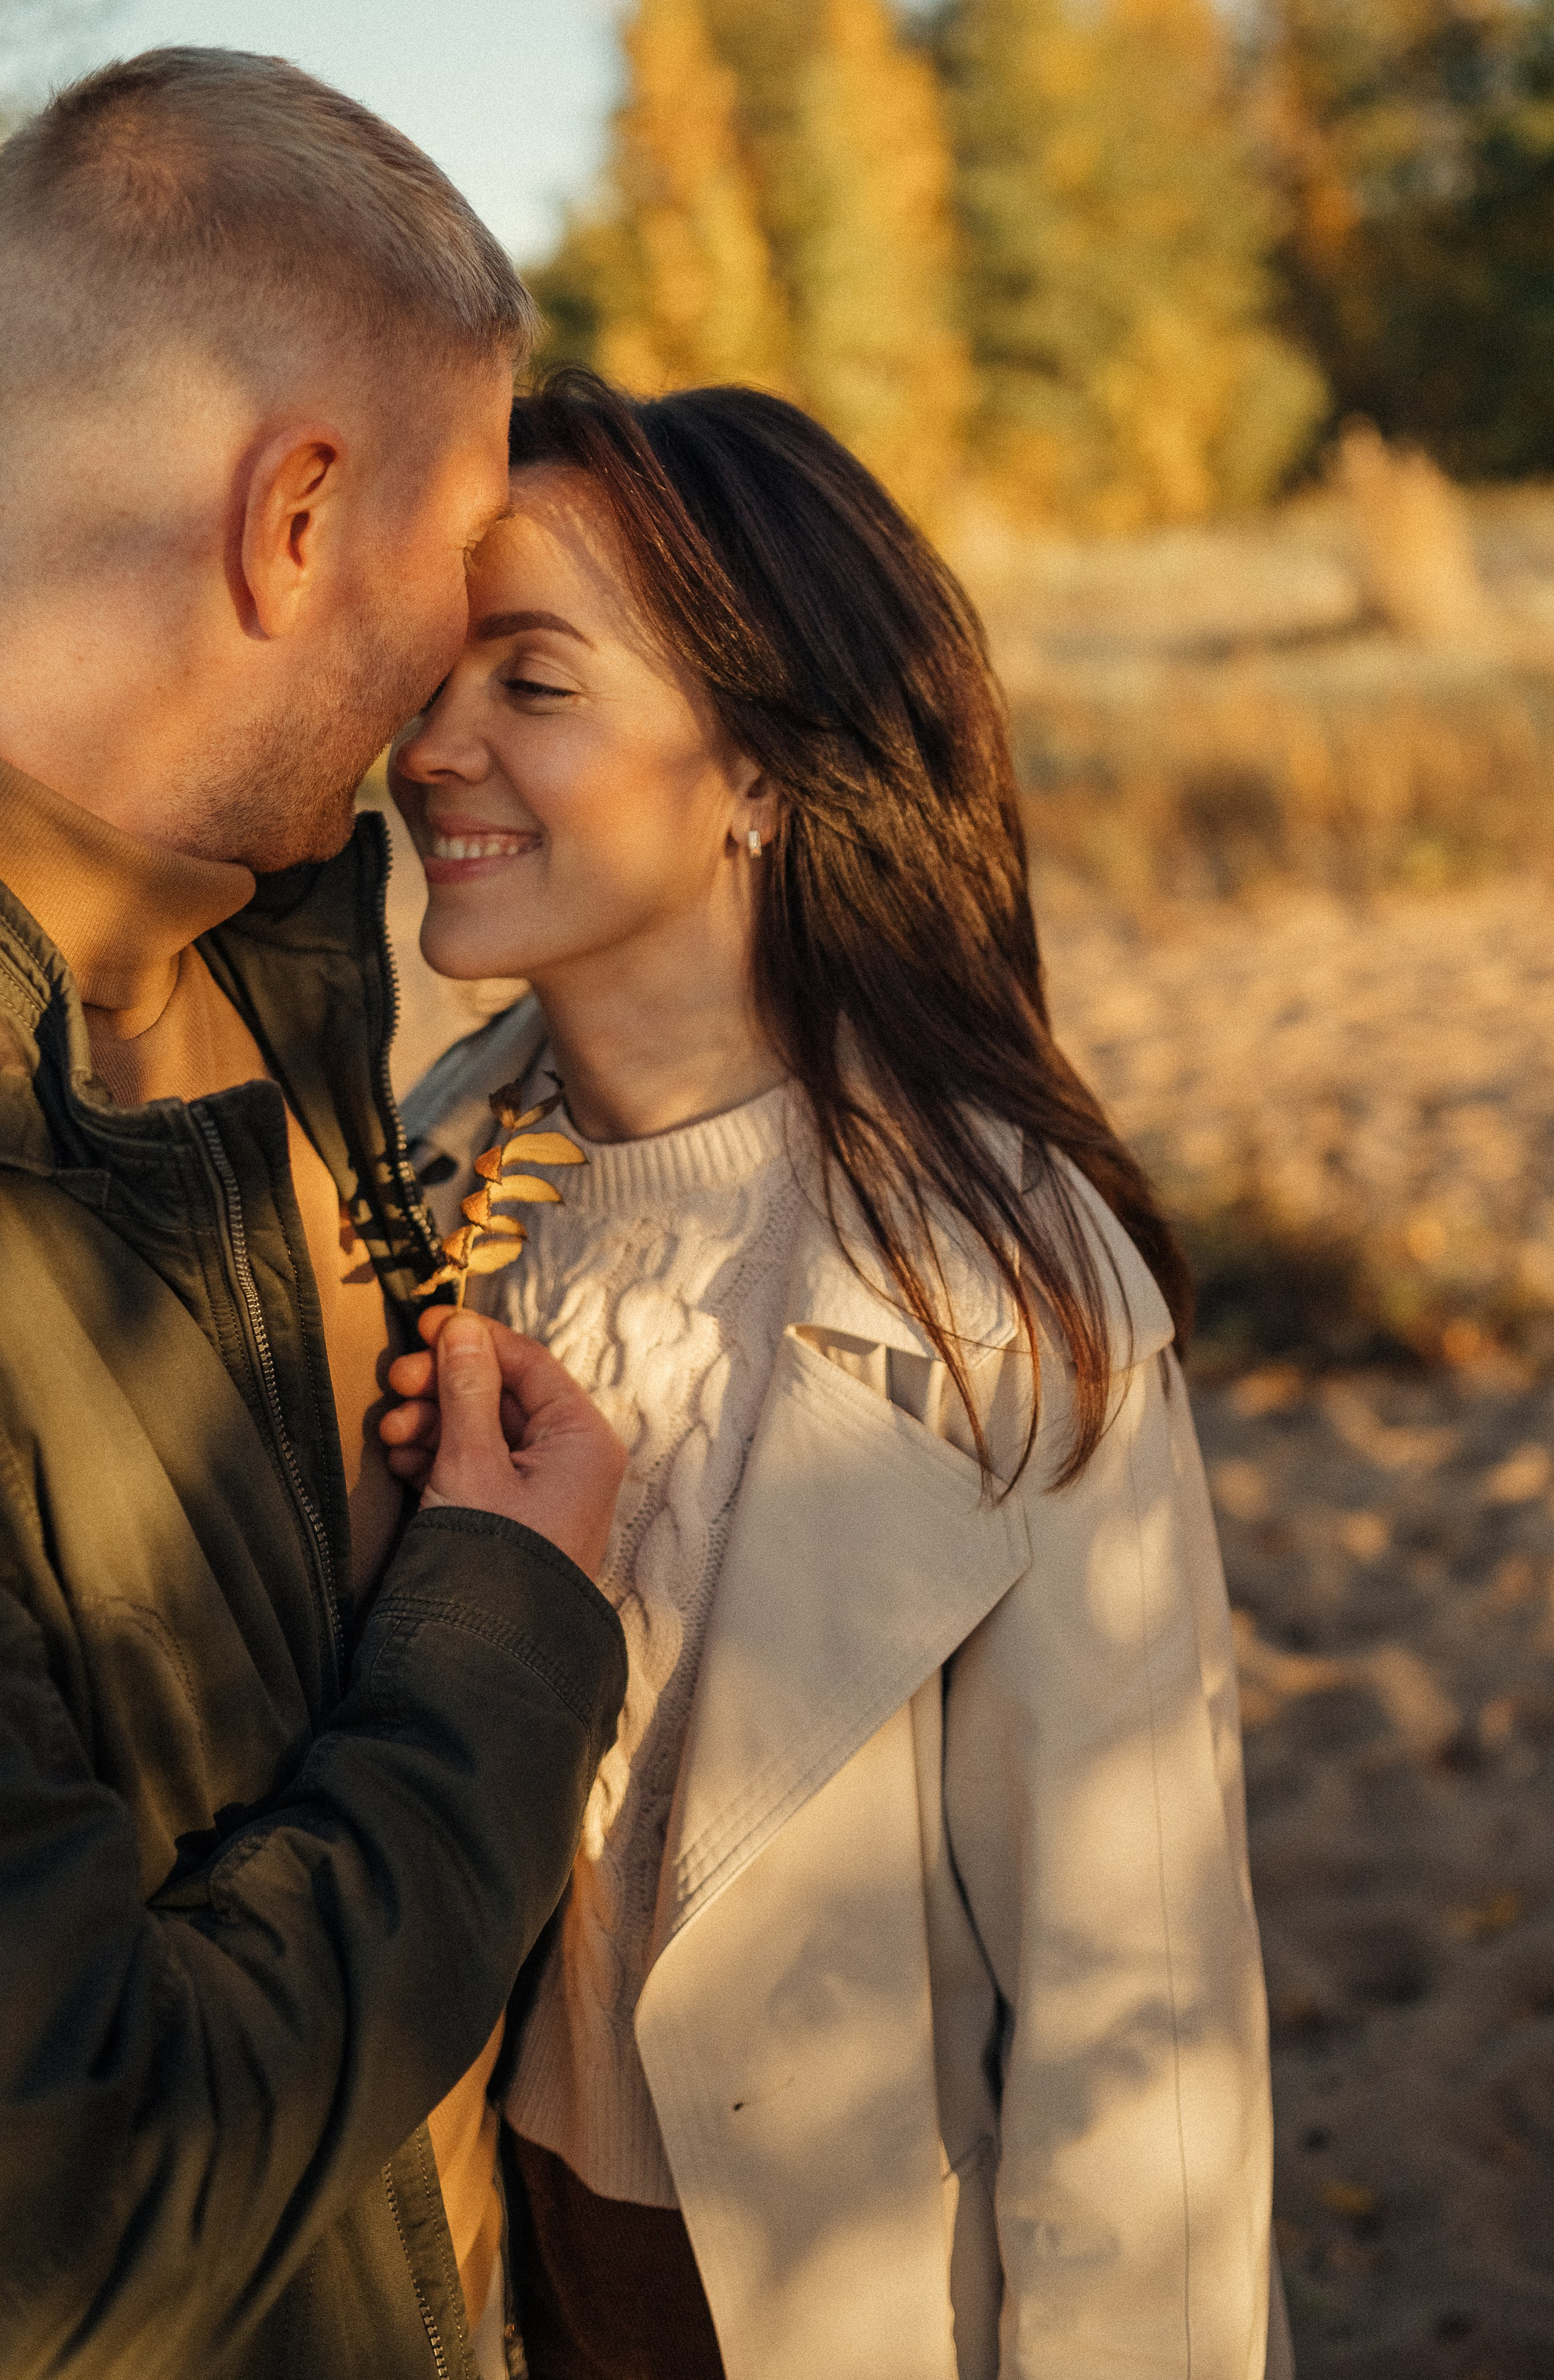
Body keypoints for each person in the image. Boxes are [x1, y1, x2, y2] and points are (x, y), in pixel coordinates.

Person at [386, 369, 1296, 2380]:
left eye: (532, 685)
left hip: (849, 2311)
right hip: (485, 2281)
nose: (432, 746)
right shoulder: (411, 1186)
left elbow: (1132, 2018)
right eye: (440, 675)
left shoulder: (1001, 1283)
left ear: (760, 777)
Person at [0, 56, 630, 2380]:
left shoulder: (280, 951)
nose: (449, 682)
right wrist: (506, 1638)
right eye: (456, 568)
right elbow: (65, 2213)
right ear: (295, 516)